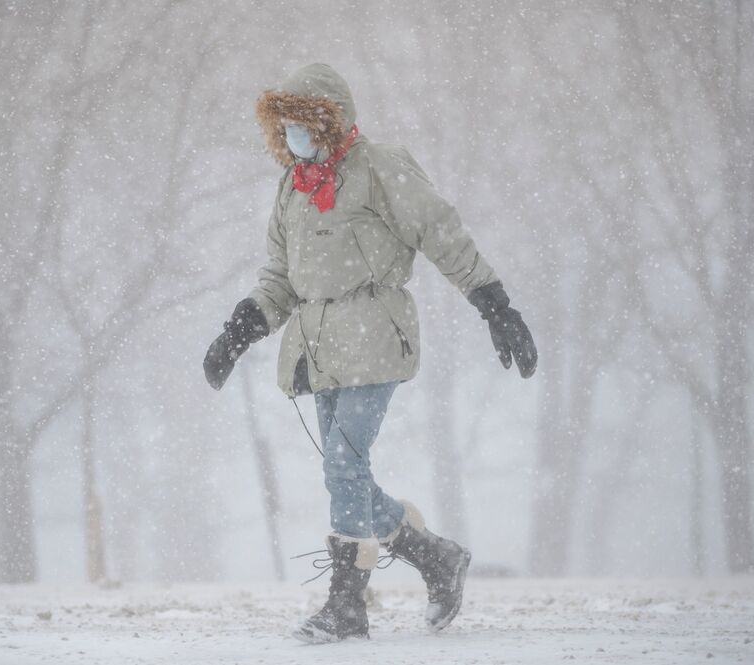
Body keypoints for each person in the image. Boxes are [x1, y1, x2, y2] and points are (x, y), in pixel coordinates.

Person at [203, 63, 537, 643]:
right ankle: (435, 556)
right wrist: (238, 330)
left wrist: (494, 304)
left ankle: (346, 604)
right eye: (284, 126)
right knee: (346, 473)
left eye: (301, 123)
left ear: (327, 120)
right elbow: (281, 276)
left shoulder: (381, 167)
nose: (292, 135)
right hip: (318, 345)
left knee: (343, 462)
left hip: (375, 332)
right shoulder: (292, 187)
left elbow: (441, 232)